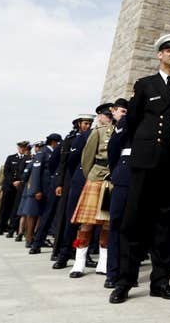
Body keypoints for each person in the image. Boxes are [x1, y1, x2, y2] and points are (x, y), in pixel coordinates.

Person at [110, 33, 170, 304]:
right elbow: (133, 122)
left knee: (166, 225)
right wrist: (144, 149)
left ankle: (160, 281)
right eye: (169, 50)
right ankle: (124, 281)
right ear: (159, 55)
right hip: (145, 162)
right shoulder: (145, 85)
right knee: (134, 221)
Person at [69, 103, 115, 278]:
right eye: (108, 115)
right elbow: (87, 158)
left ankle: (103, 263)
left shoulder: (122, 132)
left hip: (111, 181)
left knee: (107, 224)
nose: (110, 118)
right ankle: (79, 262)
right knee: (86, 223)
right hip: (96, 178)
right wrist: (91, 176)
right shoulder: (98, 132)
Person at [53, 115, 95, 269]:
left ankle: (83, 254)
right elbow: (65, 163)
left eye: (90, 123)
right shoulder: (70, 139)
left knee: (87, 221)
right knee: (70, 219)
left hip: (88, 179)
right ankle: (63, 254)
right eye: (85, 123)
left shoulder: (94, 135)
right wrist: (60, 183)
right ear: (78, 124)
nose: (87, 125)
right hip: (73, 180)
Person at [104, 98, 130, 288]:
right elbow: (113, 148)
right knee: (117, 225)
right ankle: (113, 272)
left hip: (141, 177)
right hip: (124, 175)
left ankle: (129, 272)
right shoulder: (125, 122)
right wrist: (115, 172)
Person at [28, 133, 62, 253]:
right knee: (46, 216)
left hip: (54, 188)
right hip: (46, 190)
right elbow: (36, 173)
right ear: (53, 142)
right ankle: (36, 243)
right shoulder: (42, 152)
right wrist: (36, 190)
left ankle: (41, 242)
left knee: (51, 217)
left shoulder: (52, 152)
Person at [0, 141, 28, 235]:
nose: (22, 149)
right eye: (21, 147)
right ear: (18, 148)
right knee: (5, 207)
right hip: (9, 186)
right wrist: (13, 182)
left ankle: (12, 228)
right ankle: (0, 227)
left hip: (19, 187)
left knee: (15, 208)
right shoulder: (11, 158)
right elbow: (6, 172)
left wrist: (20, 182)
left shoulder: (27, 158)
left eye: (24, 147)